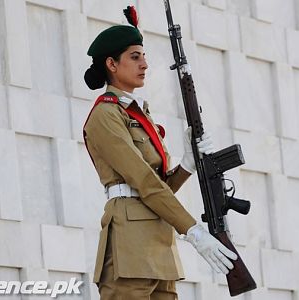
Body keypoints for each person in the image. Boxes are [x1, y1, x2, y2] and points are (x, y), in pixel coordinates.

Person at [83, 6, 237, 300]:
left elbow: (161, 186)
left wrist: (188, 164)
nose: (144, 64)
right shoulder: (106, 115)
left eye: (144, 56)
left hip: (160, 248)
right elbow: (144, 181)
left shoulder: (140, 114)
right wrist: (193, 231)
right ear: (112, 64)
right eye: (135, 56)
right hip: (130, 250)